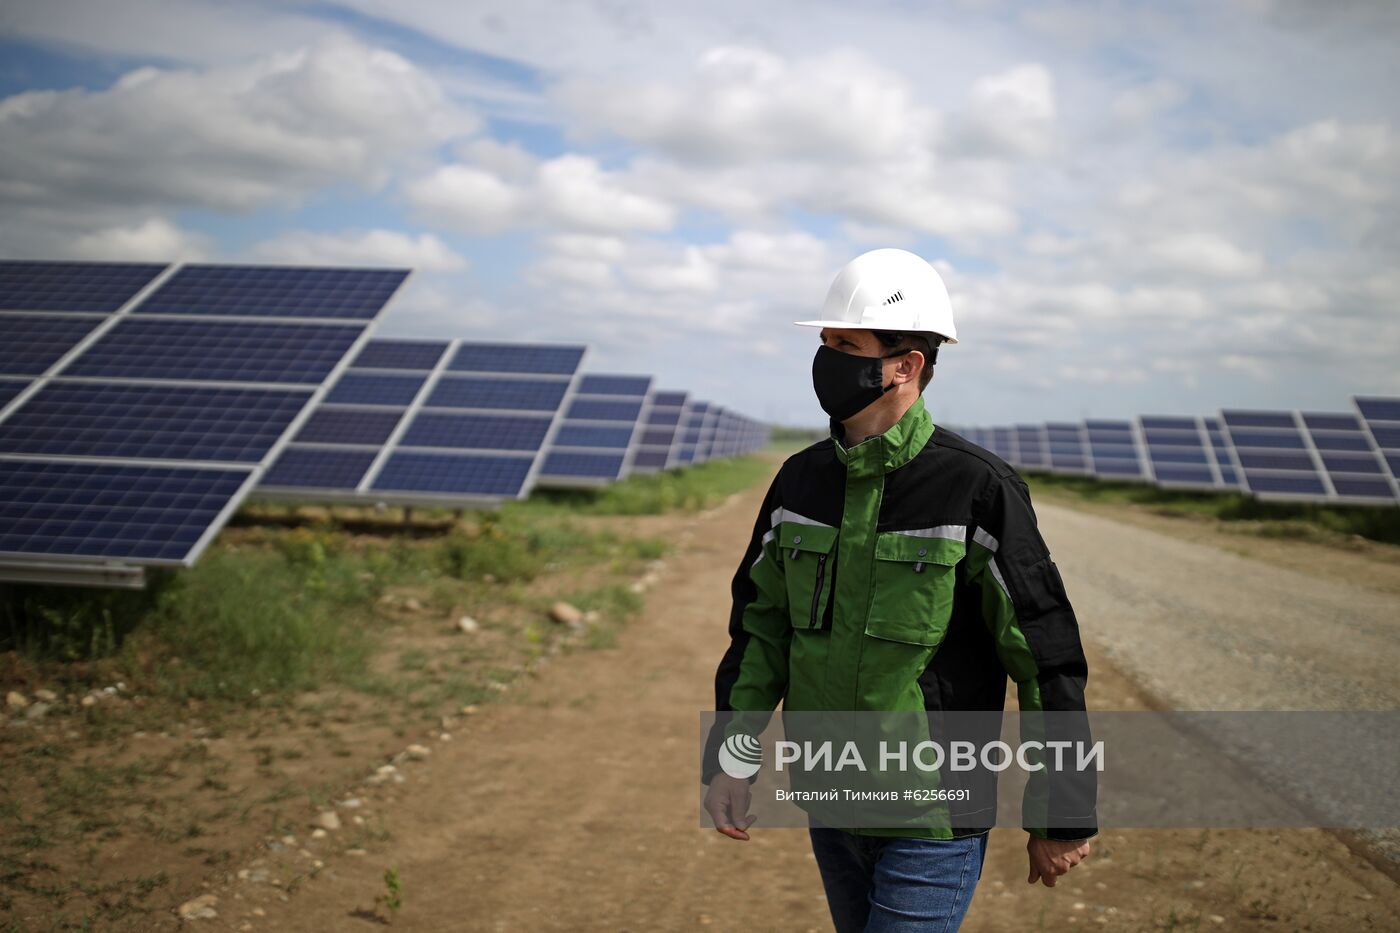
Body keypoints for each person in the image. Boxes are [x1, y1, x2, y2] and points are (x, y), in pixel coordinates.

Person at [702, 249, 1096, 931]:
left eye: (845, 345)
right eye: (825, 343)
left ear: (906, 364)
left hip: (931, 814)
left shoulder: (977, 488)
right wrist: (730, 762)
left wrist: (1061, 809)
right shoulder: (800, 482)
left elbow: (1045, 655)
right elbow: (759, 634)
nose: (826, 360)